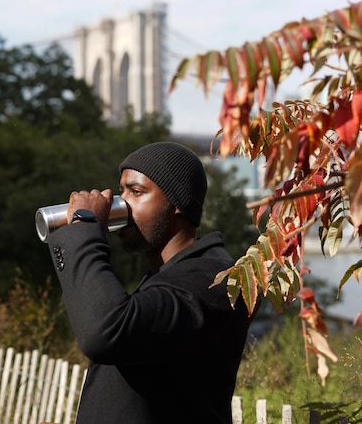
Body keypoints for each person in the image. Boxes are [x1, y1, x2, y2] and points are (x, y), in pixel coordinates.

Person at [45, 141, 249, 424]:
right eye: (122, 192)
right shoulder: (168, 278)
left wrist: (84, 227)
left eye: (137, 192)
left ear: (177, 202)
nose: (122, 205)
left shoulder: (212, 280)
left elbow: (104, 331)